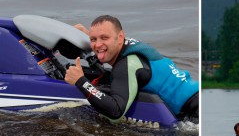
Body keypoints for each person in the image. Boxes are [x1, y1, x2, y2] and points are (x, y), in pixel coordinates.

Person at [65, 15, 199, 122]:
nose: (98, 44)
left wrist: (81, 81)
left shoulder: (127, 65)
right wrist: (87, 36)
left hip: (195, 111)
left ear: (120, 37)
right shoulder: (130, 46)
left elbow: (116, 112)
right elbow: (107, 43)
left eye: (104, 38)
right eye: (93, 39)